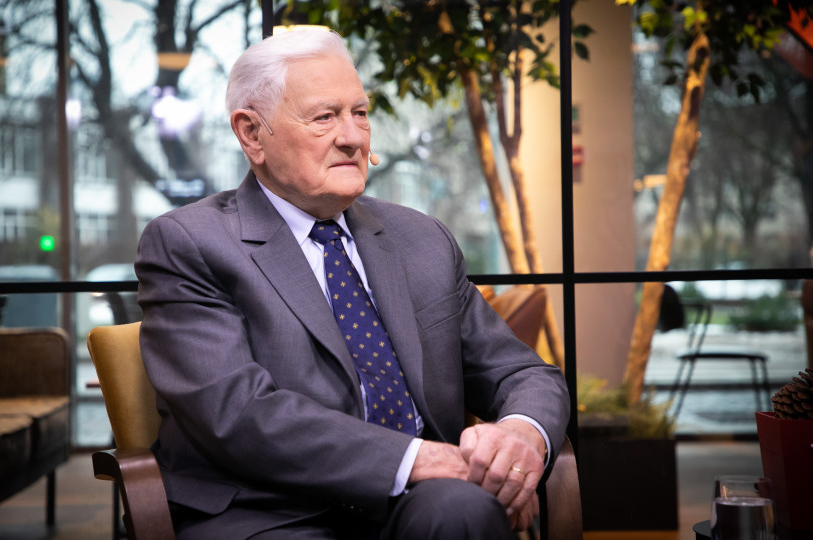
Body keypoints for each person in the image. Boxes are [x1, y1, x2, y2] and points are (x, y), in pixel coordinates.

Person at [135, 28, 569, 540]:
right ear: (251, 134)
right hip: (269, 509)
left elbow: (521, 372)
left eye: (359, 113)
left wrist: (521, 436)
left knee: (465, 511)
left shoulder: (421, 239)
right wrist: (421, 460)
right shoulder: (189, 242)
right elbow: (238, 413)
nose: (353, 137)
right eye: (325, 117)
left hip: (425, 498)